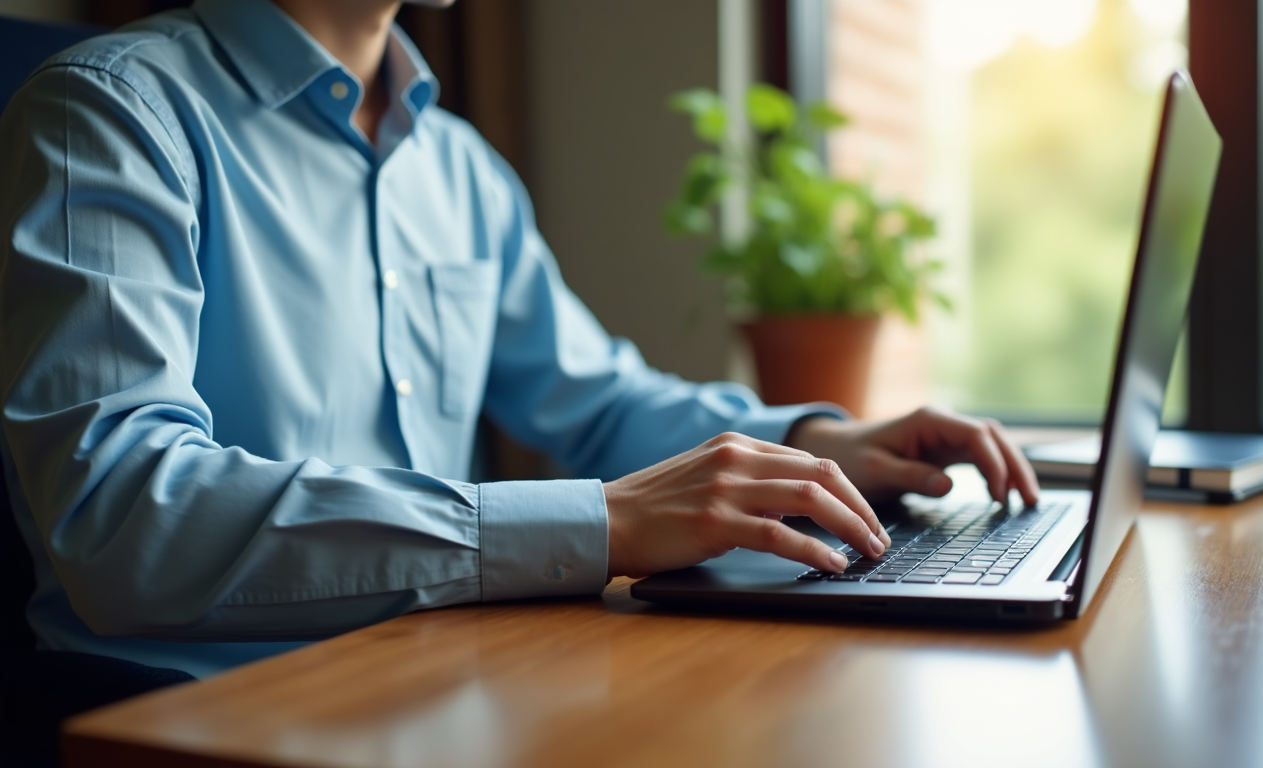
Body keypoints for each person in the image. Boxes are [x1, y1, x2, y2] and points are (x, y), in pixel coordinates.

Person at [0, 0, 1038, 679]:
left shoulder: (458, 169)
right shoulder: (110, 114)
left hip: (430, 679)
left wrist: (817, 440)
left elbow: (597, 402)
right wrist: (598, 524)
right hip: (185, 715)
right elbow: (120, 518)